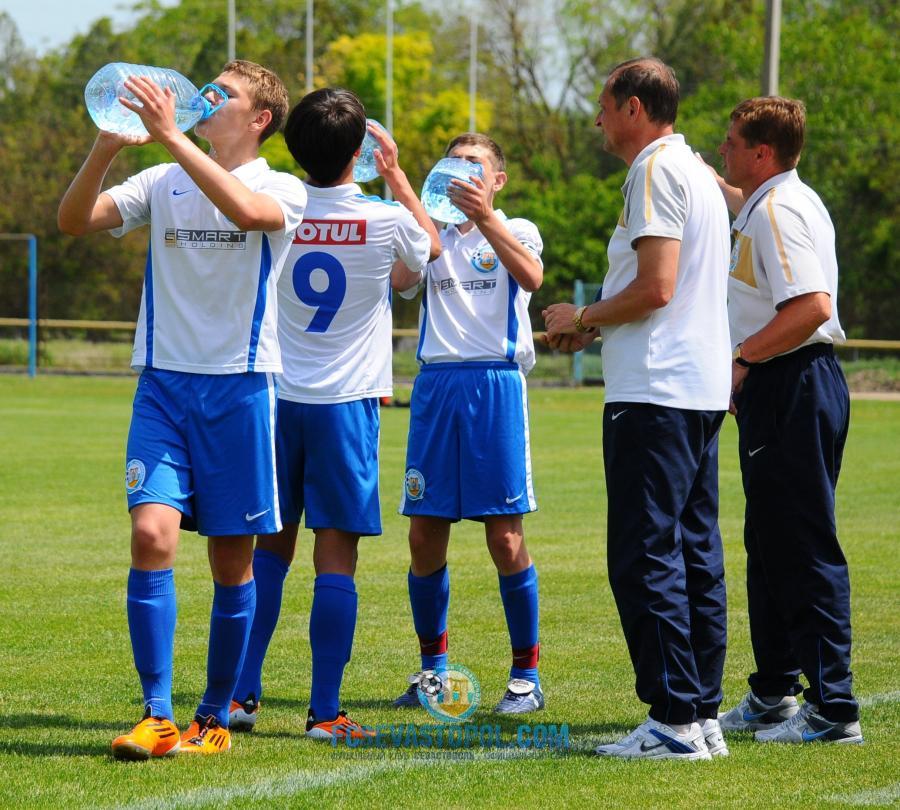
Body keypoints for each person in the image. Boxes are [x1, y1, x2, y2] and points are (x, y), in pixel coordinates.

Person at [57, 60, 307, 758]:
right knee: (151, 536)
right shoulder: (161, 177)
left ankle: (214, 717)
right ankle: (158, 714)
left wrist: (170, 135)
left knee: (232, 563)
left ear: (259, 119)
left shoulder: (280, 187)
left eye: (224, 94)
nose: (206, 97)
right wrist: (108, 143)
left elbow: (247, 213)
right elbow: (73, 221)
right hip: (163, 386)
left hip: (241, 388)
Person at [226, 88, 441, 741]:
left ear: (294, 147)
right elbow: (428, 249)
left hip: (274, 399)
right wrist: (396, 174)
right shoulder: (384, 218)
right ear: (361, 152)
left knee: (269, 551)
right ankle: (324, 712)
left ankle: (240, 695)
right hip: (346, 406)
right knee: (336, 556)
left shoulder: (277, 206)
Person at [543, 57, 731, 760]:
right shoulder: (698, 172)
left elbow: (656, 287)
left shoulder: (654, 169)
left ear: (633, 108)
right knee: (695, 554)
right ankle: (701, 713)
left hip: (655, 392)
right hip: (695, 388)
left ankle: (673, 720)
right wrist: (595, 327)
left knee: (644, 557)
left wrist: (582, 313)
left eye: (604, 104)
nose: (596, 117)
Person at [710, 97, 862, 744]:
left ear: (762, 153)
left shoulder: (777, 211)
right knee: (770, 542)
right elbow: (733, 196)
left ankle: (834, 708)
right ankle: (775, 691)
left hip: (791, 381)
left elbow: (811, 307)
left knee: (802, 545)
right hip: (783, 383)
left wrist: (742, 359)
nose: (724, 150)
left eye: (731, 142)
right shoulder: (770, 199)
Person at [392, 132, 545, 714]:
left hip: (494, 385)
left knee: (504, 537)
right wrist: (417, 211)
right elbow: (401, 282)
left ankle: (525, 677)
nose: (461, 172)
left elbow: (530, 277)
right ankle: (432, 671)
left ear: (497, 179)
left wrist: (483, 218)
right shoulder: (430, 233)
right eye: (453, 163)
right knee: (423, 534)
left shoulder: (516, 227)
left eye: (474, 165)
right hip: (436, 386)